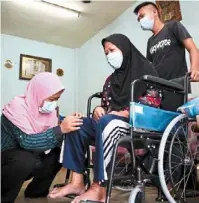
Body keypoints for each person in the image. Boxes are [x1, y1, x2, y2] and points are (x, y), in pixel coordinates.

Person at [48, 34, 158, 203]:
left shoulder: (147, 71)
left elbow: (153, 102)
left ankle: (98, 188)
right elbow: (107, 108)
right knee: (77, 123)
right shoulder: (110, 80)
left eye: (112, 50)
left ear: (125, 49)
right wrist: (100, 109)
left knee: (108, 122)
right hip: (111, 121)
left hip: (136, 124)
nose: (109, 56)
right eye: (106, 53)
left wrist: (126, 113)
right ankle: (76, 182)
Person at [1, 72, 83, 203]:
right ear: (37, 94)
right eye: (51, 99)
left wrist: (71, 119)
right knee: (24, 158)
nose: (53, 104)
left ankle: (36, 192)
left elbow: (57, 121)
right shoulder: (15, 109)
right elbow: (28, 142)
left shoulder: (48, 111)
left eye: (57, 99)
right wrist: (61, 129)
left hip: (29, 162)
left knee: (58, 150)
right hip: (6, 163)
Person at [133, 1, 199, 81]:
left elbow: (192, 48)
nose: (140, 20)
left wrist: (195, 68)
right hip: (160, 86)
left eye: (142, 16)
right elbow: (150, 65)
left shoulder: (173, 26)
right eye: (138, 19)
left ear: (154, 12)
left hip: (178, 84)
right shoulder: (150, 41)